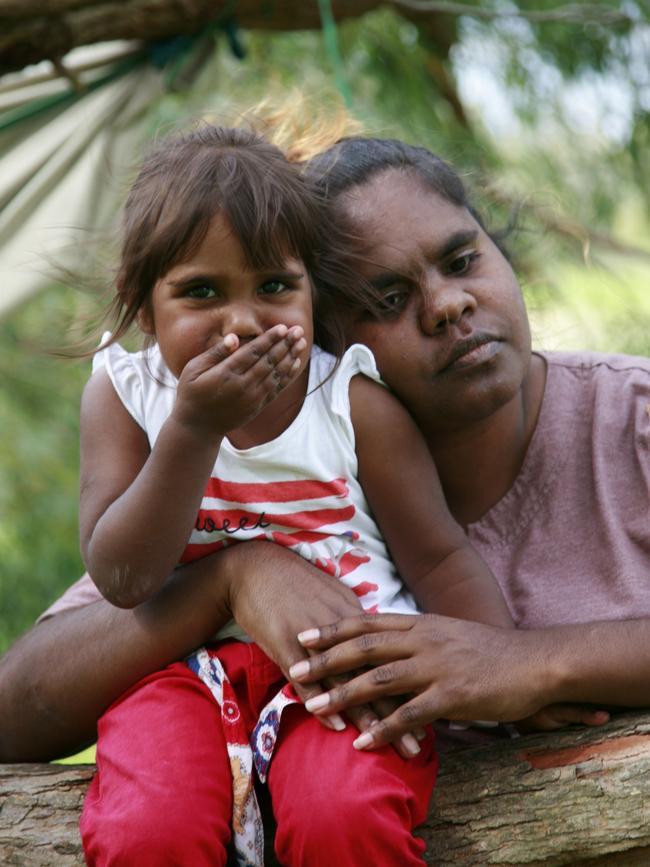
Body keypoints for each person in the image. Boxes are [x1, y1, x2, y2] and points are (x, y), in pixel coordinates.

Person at [0, 131, 646, 785]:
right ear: (322, 346)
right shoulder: (260, 488)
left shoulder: (633, 418)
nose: (448, 305)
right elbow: (19, 709)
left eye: (461, 259)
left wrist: (532, 664)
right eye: (388, 299)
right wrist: (237, 577)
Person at [74, 123, 515, 867]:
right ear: (142, 307)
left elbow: (439, 558)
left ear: (314, 292)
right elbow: (123, 577)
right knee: (149, 830)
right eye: (202, 292)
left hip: (346, 685)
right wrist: (192, 426)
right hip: (176, 678)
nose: (243, 321)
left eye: (275, 286)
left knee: (344, 818)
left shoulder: (352, 405)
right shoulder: (126, 396)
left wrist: (511, 679)